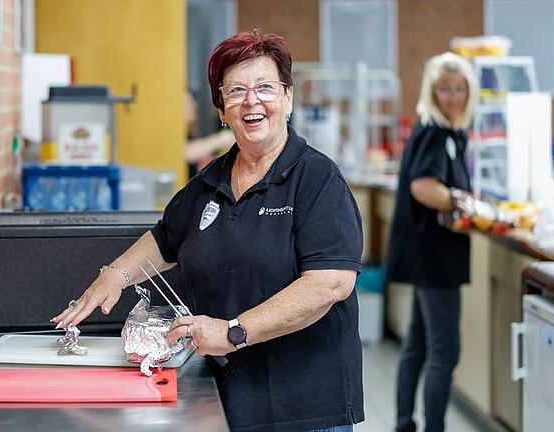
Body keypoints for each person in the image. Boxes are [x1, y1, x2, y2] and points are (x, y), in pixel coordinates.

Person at [52, 29, 364, 432]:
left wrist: (234, 331)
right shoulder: (211, 180)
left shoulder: (318, 179)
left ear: (287, 97)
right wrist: (116, 273)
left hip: (304, 407)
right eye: (236, 91)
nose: (252, 101)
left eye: (265, 87)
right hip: (230, 399)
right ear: (221, 109)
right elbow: (166, 238)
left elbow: (330, 284)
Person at [386, 51, 479, 432]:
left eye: (459, 88)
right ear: (433, 90)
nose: (453, 96)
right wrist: (467, 204)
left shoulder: (446, 131)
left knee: (419, 346)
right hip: (435, 256)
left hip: (429, 255)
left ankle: (405, 424)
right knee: (444, 351)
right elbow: (423, 187)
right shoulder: (437, 132)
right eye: (445, 88)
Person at [185, 88, 235, 176]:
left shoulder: (188, 133)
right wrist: (222, 139)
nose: (195, 105)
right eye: (189, 101)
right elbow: (182, 152)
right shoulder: (171, 136)